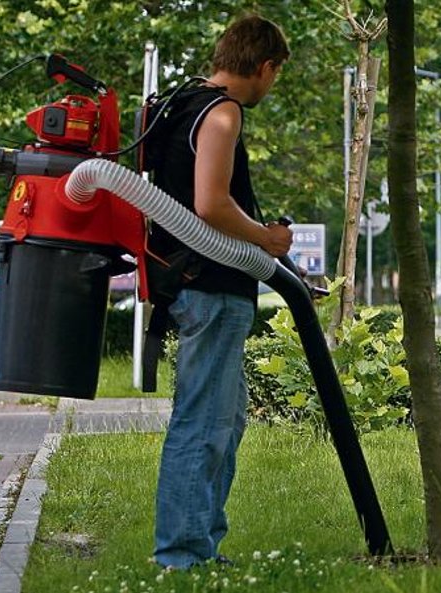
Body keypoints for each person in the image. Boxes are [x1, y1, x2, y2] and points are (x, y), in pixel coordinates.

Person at [147, 15, 293, 569]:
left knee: (225, 420)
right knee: (203, 422)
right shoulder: (223, 113)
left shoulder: (183, 103)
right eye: (274, 75)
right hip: (210, 286)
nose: (270, 85)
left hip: (196, 281)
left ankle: (201, 544)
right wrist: (268, 240)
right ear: (265, 67)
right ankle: (181, 556)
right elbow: (209, 204)